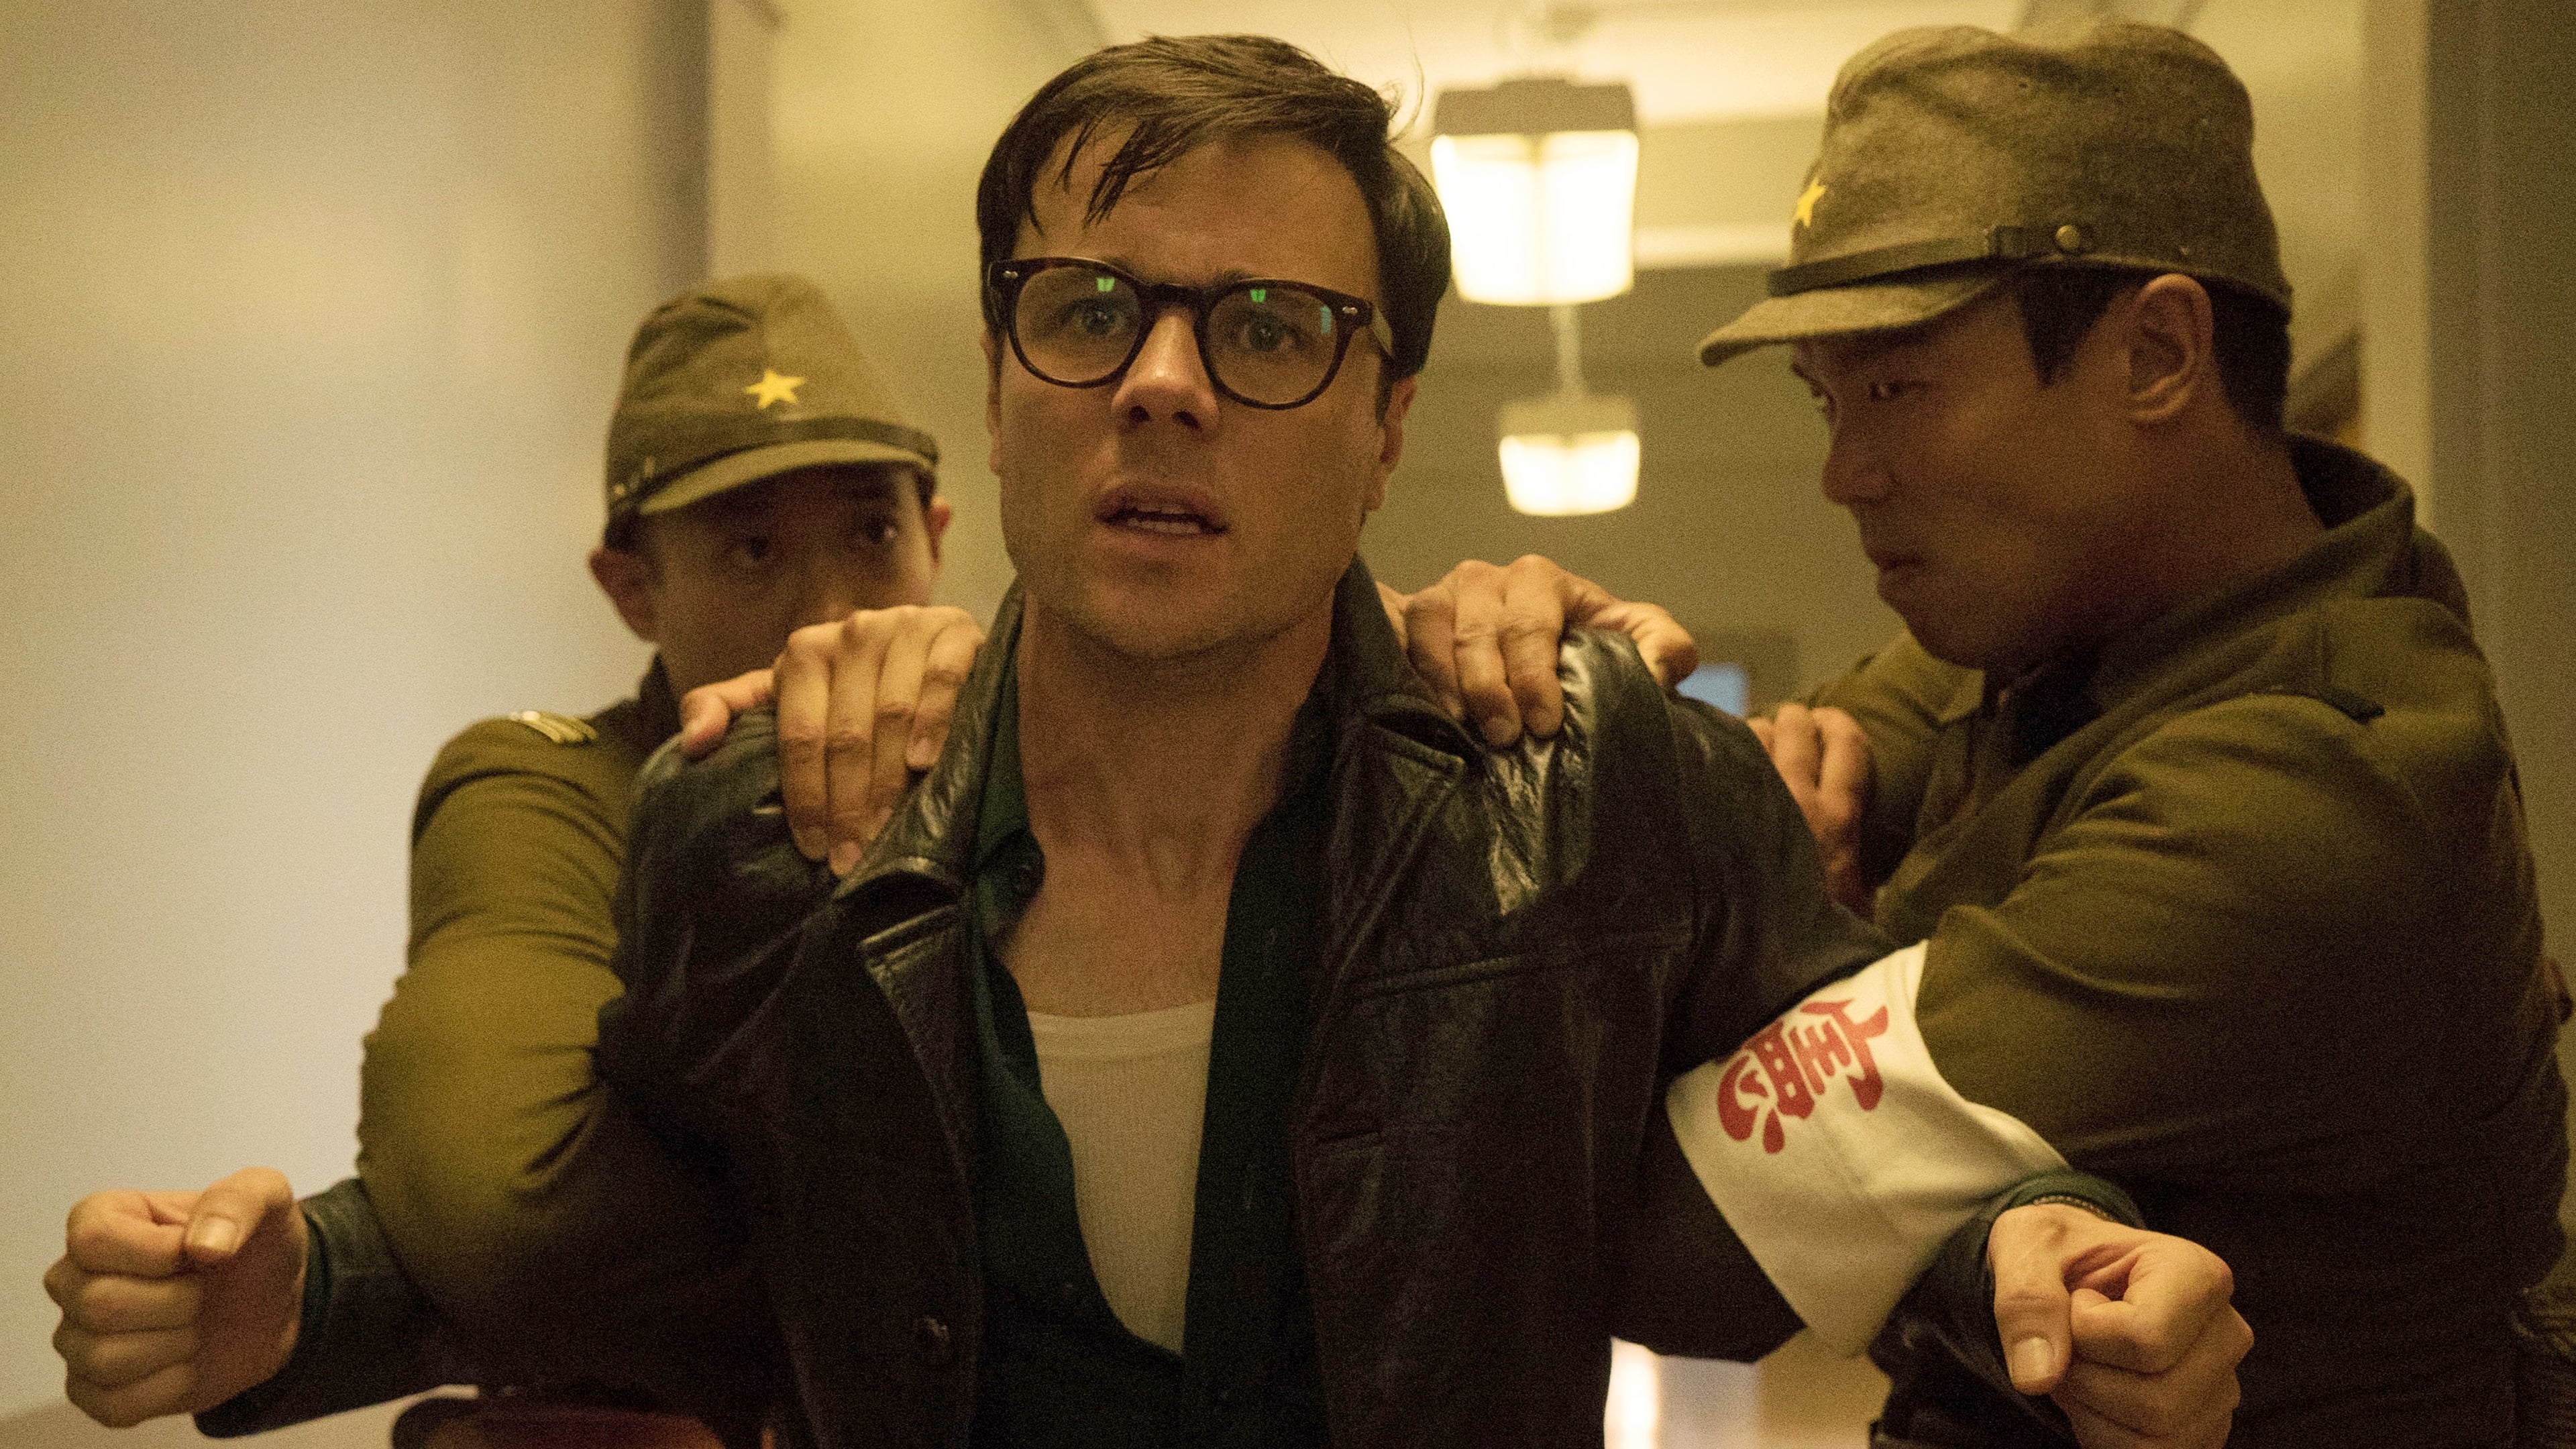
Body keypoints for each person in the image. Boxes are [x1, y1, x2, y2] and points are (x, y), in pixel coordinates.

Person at [579, 34, 2248, 1449]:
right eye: (1087, 310)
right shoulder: (763, 835)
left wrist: (2040, 1253)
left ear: (1389, 431)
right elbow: (614, 1250)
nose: (1162, 383)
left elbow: (1865, 1137)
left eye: (1268, 328)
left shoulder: (1587, 780)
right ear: (1000, 390)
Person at [1409, 21, 2565, 1448]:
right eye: (1826, 398)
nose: (1843, 472)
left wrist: (1704, 866)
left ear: (2157, 354)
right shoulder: (2056, 630)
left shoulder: (2311, 793)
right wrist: (1586, 701)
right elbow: (1736, 818)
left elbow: (1669, 1240)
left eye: (1896, 388)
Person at [44, 272, 973, 1438]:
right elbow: (510, 1208)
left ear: (938, 539)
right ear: (633, 590)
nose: (834, 614)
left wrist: (344, 1291)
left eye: (875, 534)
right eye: (750, 550)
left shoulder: (1043, 763)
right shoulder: (559, 789)